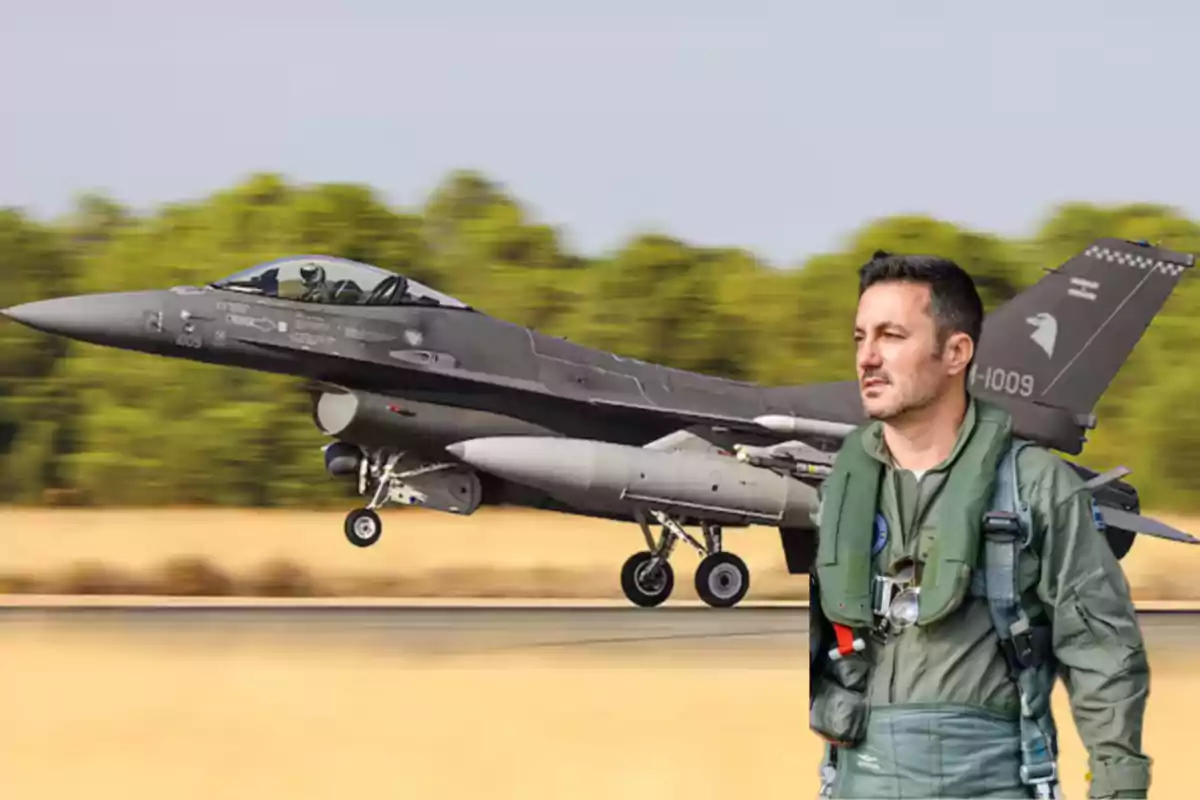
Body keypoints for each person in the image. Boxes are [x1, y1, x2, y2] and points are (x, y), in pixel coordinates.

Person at [808, 252, 1152, 799]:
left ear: (956, 352)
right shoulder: (843, 492)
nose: (867, 357)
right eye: (859, 337)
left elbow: (1102, 650)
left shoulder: (1034, 487)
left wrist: (1117, 785)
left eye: (892, 335)